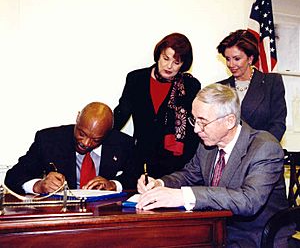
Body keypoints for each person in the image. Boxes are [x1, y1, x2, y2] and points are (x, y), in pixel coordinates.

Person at [136, 84, 293, 247]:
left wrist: (183, 196)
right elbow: (189, 175)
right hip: (215, 229)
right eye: (194, 120)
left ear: (230, 121)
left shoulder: (264, 148)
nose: (196, 129)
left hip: (256, 237)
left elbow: (248, 201)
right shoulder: (207, 145)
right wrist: (159, 183)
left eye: (203, 122)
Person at [113, 33, 201, 179]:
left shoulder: (190, 86)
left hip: (176, 164)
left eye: (176, 62)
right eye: (166, 58)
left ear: (184, 64)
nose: (169, 66)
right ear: (158, 55)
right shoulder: (136, 79)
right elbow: (121, 115)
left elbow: (194, 126)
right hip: (141, 161)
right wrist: (99, 130)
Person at [5, 102, 136, 194]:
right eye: (81, 133)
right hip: (62, 216)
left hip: (105, 215)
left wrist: (114, 185)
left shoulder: (122, 143)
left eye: (95, 140)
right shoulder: (49, 140)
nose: (85, 143)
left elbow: (137, 176)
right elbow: (13, 177)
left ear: (107, 134)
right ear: (78, 117)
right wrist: (39, 186)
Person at [217, 29, 287, 142]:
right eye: (227, 59)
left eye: (237, 59)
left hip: (261, 152)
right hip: (228, 155)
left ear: (250, 59)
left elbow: (278, 125)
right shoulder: (220, 88)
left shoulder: (272, 82)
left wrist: (259, 150)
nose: (231, 64)